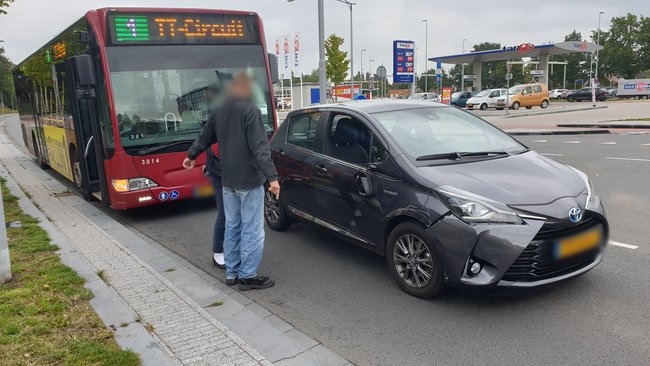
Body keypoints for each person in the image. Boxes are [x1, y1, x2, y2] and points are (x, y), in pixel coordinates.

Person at [183, 72, 280, 291]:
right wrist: (272, 177)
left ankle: (232, 272)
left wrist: (191, 156)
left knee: (233, 225)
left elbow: (204, 136)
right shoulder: (250, 112)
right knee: (252, 229)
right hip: (249, 180)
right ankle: (247, 276)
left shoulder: (220, 112)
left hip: (228, 181)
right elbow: (260, 149)